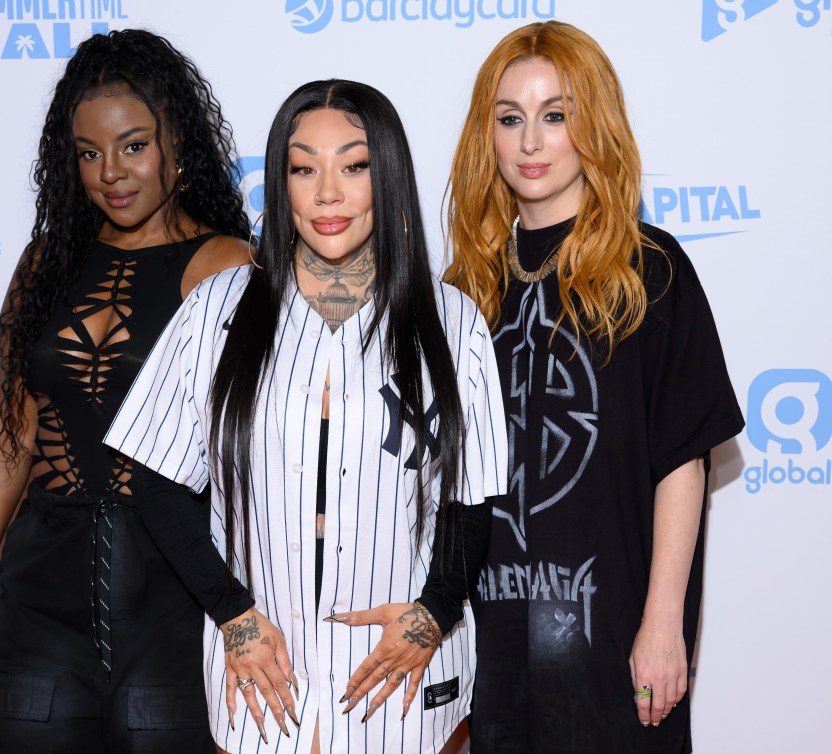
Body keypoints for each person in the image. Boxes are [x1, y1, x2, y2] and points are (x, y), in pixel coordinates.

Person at [106, 79, 507, 754]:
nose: (328, 193)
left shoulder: (454, 322)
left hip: (397, 678)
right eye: (303, 168)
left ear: (388, 176)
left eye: (353, 166)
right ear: (280, 181)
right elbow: (158, 481)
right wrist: (233, 614)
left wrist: (433, 615)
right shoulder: (216, 308)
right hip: (262, 673)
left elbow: (468, 501)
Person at [0, 29, 273, 753]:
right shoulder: (44, 264)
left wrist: (244, 613)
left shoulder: (224, 267)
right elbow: (14, 429)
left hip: (170, 596)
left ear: (177, 144)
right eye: (89, 153)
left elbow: (249, 456)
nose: (110, 172)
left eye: (133, 146)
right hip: (38, 595)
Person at [444, 20, 745, 754]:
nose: (531, 141)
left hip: (616, 641)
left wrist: (664, 623)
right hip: (493, 647)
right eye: (510, 119)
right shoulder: (465, 291)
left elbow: (682, 457)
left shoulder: (652, 271)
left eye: (556, 116)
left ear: (594, 126)